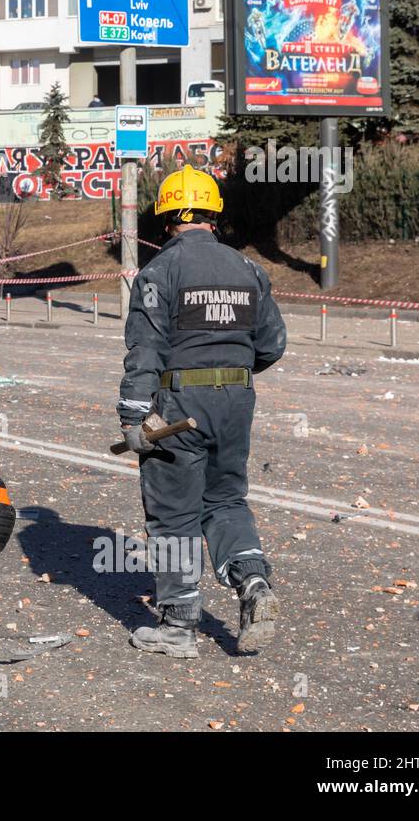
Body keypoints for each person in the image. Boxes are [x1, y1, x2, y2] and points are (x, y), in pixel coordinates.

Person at [117, 165, 287, 658]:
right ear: (215, 215)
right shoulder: (248, 269)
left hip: (177, 408)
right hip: (236, 400)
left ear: (166, 219)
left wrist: (132, 417)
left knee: (174, 516)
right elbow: (273, 344)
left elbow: (144, 350)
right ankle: (253, 584)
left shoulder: (159, 272)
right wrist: (229, 369)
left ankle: (178, 626)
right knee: (226, 501)